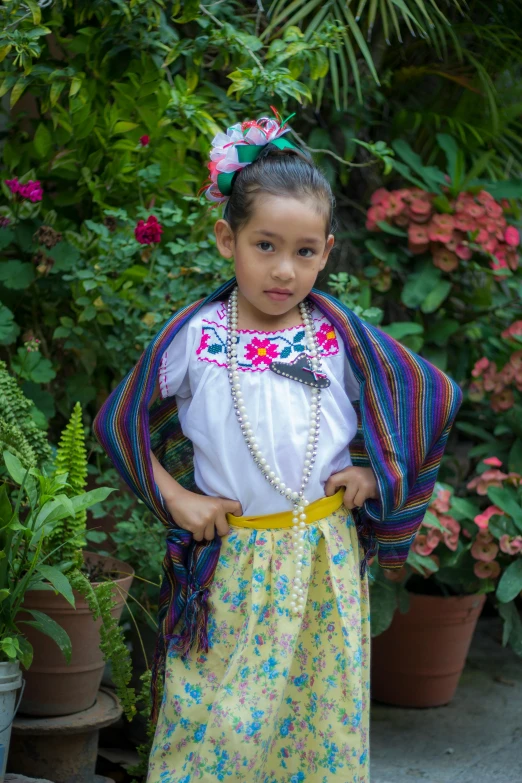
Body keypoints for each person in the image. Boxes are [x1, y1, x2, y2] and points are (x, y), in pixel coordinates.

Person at [94, 110, 462, 783]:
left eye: (303, 251)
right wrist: (176, 497)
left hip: (324, 558)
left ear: (326, 249)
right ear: (225, 239)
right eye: (264, 245)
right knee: (216, 723)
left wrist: (375, 476)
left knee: (318, 721)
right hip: (233, 563)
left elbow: (426, 395)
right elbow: (116, 421)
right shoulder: (198, 337)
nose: (284, 269)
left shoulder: (337, 338)